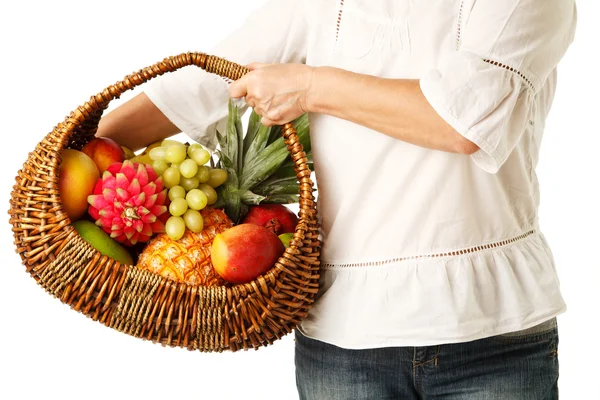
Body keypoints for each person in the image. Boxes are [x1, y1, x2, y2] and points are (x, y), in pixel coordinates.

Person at [96, 0, 578, 398]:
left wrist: (311, 86)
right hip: (345, 336)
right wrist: (83, 148)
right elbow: (201, 84)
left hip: (491, 332)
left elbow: (461, 123)